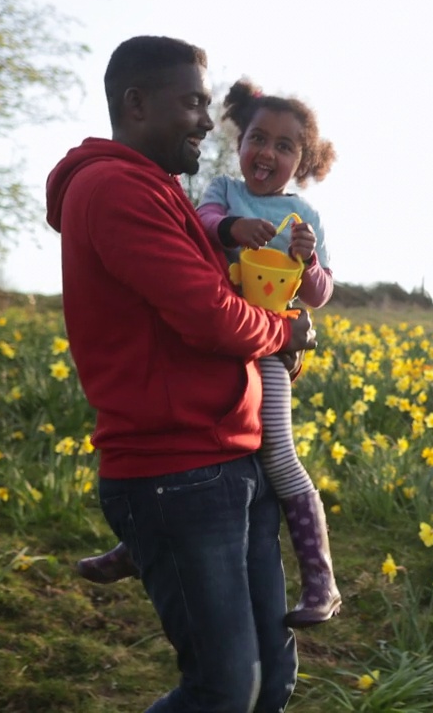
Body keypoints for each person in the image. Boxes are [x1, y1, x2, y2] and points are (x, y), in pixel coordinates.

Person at [46, 36, 316, 711]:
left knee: (269, 685)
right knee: (223, 691)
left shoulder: (159, 190)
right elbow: (211, 316)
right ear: (136, 105)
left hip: (230, 460)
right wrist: (284, 331)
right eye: (192, 102)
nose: (205, 119)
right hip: (175, 472)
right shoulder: (114, 189)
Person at [75, 77, 342, 629]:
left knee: (280, 458)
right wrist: (233, 229)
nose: (267, 152)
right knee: (223, 455)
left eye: (285, 146)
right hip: (224, 342)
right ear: (240, 142)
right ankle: (142, 543)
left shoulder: (305, 217)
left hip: (268, 349)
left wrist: (308, 261)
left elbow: (318, 293)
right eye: (257, 138)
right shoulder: (221, 189)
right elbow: (202, 227)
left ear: (303, 159)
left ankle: (322, 582)